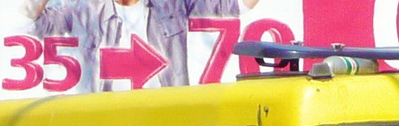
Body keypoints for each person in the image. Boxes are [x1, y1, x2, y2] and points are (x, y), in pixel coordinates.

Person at [19, 0, 257, 92]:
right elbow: (29, 23)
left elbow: (239, 5)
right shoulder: (85, 9)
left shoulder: (171, 5)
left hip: (166, 124)